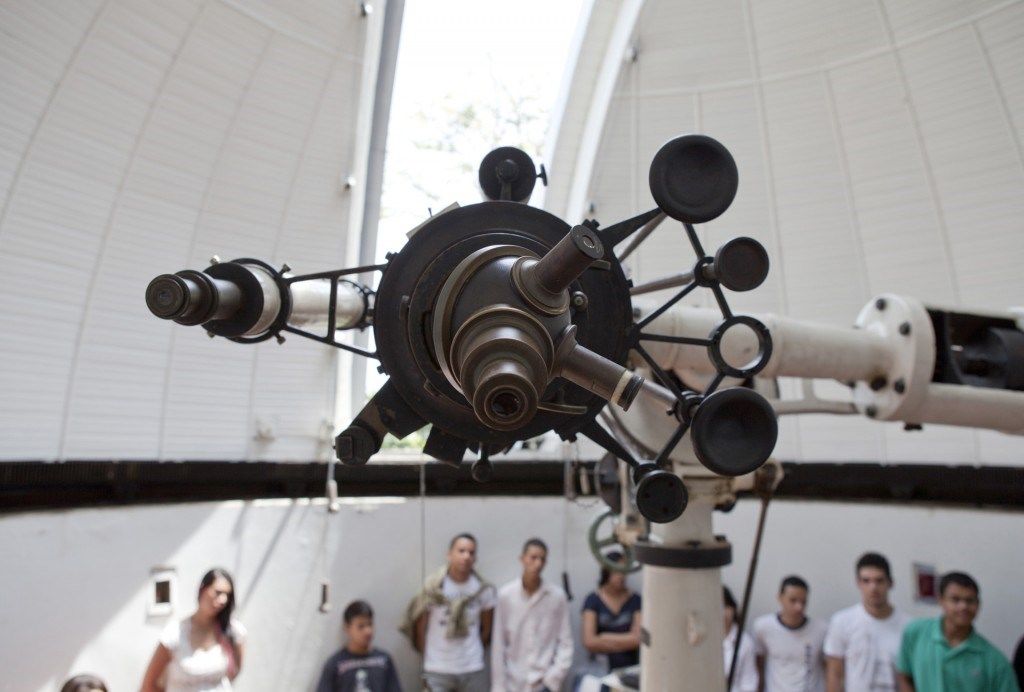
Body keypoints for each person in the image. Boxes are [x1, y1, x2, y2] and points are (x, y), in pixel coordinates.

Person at [401, 533, 496, 692]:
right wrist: (432, 657)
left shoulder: (482, 590)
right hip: (438, 669)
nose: (466, 556)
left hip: (472, 668)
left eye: (471, 552)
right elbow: (420, 629)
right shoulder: (433, 588)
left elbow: (487, 629)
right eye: (461, 551)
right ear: (449, 554)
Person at [896, 571, 1019, 692]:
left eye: (970, 600)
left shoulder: (995, 661)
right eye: (955, 600)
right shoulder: (916, 633)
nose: (963, 606)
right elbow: (904, 675)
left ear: (978, 605)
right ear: (941, 601)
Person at [141, 567, 247, 692]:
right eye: (218, 592)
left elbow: (235, 670)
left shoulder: (232, 631)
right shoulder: (175, 633)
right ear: (202, 589)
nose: (223, 600)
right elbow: (149, 683)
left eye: (227, 595)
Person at [491, 538, 573, 692]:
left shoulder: (556, 596)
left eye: (542, 559)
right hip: (513, 681)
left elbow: (565, 641)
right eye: (533, 557)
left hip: (544, 681)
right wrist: (499, 686)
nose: (538, 563)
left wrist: (553, 678)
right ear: (522, 559)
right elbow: (498, 644)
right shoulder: (506, 595)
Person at [824, 552, 909, 692]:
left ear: (890, 583)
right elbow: (834, 674)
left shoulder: (908, 626)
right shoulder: (842, 621)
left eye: (879, 580)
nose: (873, 587)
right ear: (858, 583)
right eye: (866, 581)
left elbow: (910, 677)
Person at [753, 575, 827, 692]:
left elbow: (828, 667)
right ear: (780, 598)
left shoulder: (821, 629)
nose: (799, 607)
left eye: (803, 602)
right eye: (793, 600)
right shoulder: (763, 627)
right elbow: (758, 666)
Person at [316, 599, 402, 692]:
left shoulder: (384, 660)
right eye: (361, 626)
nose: (368, 631)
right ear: (347, 628)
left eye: (370, 624)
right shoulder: (335, 664)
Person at [580, 551, 642, 673]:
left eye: (624, 570)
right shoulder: (592, 600)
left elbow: (638, 639)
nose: (621, 575)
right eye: (617, 570)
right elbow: (589, 641)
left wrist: (604, 637)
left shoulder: (636, 600)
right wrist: (625, 641)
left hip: (629, 670)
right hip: (599, 671)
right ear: (606, 571)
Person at [723, 585, 759, 692]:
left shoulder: (744, 642)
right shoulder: (700, 639)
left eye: (725, 606)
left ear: (733, 608)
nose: (722, 612)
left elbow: (749, 683)